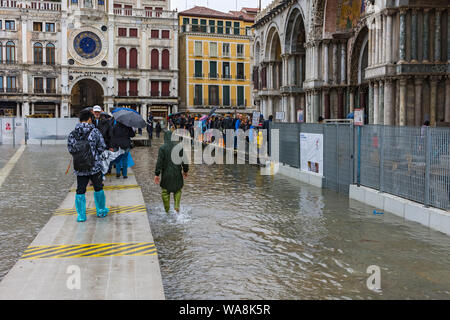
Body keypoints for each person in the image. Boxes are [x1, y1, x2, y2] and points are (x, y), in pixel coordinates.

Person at [67, 109, 109, 222]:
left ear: (79, 120)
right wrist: (94, 154)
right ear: (90, 119)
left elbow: (70, 149)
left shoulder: (73, 133)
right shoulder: (95, 132)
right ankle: (100, 211)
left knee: (80, 190)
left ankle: (81, 215)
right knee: (98, 188)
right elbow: (101, 147)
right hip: (94, 166)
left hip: (80, 167)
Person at [154, 130, 189, 213]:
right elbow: (185, 161)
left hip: (166, 175)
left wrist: (157, 174)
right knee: (177, 190)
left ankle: (167, 210)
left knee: (165, 192)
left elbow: (159, 162)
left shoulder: (162, 148)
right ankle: (176, 207)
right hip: (177, 174)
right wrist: (185, 171)